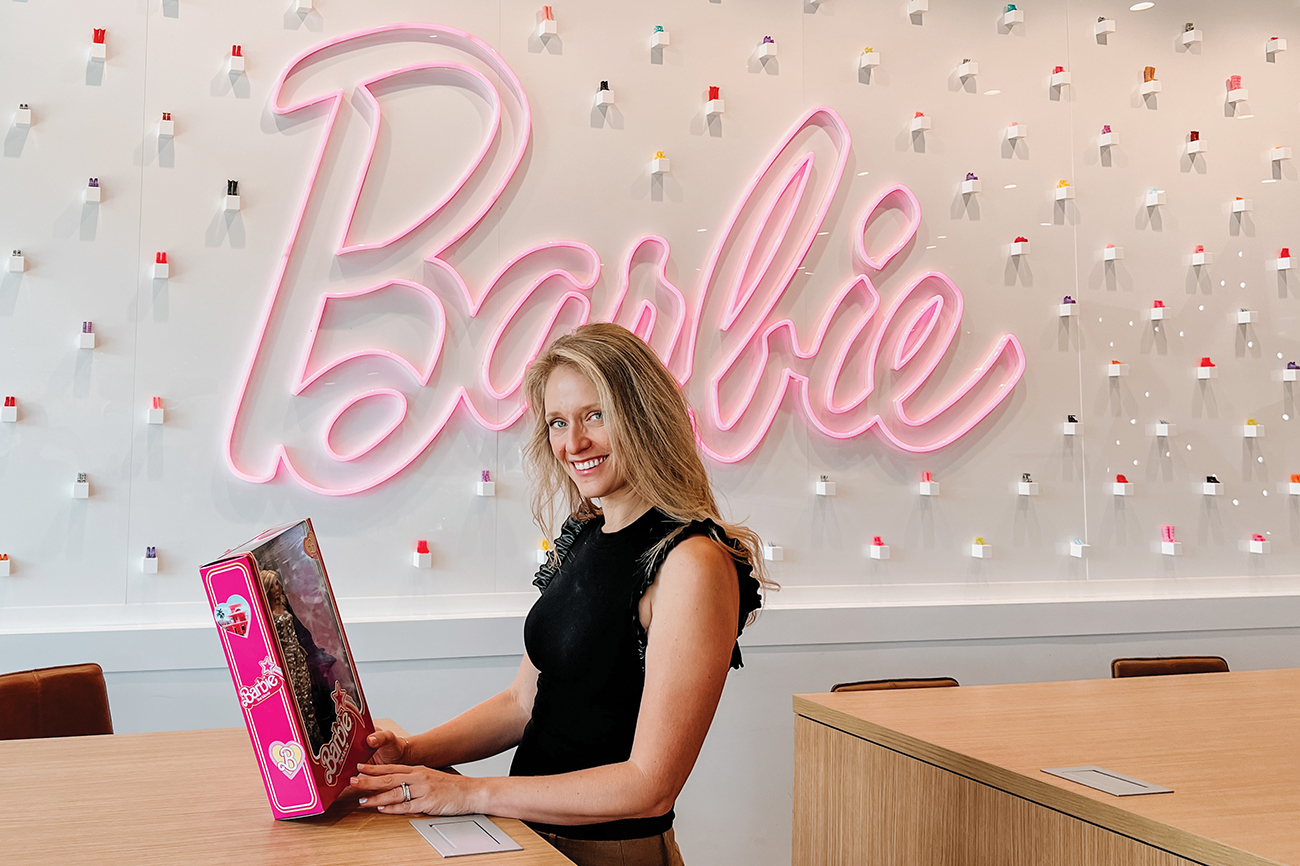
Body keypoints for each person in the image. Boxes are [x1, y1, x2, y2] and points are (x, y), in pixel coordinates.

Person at [349, 323, 772, 866]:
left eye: (596, 416)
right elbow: (522, 704)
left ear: (644, 417)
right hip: (533, 841)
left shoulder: (690, 561)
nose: (574, 444)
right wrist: (412, 752)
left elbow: (649, 784)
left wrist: (469, 793)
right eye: (558, 422)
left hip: (607, 853)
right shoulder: (586, 534)